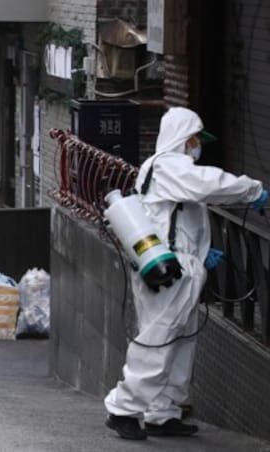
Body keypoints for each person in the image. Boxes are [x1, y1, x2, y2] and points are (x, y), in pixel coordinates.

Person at [104, 107, 268, 439]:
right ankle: (124, 408)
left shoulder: (158, 168)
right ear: (183, 137)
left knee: (180, 340)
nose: (197, 145)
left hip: (170, 264)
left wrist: (203, 253)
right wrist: (253, 191)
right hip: (171, 269)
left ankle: (163, 413)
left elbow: (173, 216)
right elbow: (208, 184)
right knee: (160, 338)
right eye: (195, 139)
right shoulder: (170, 167)